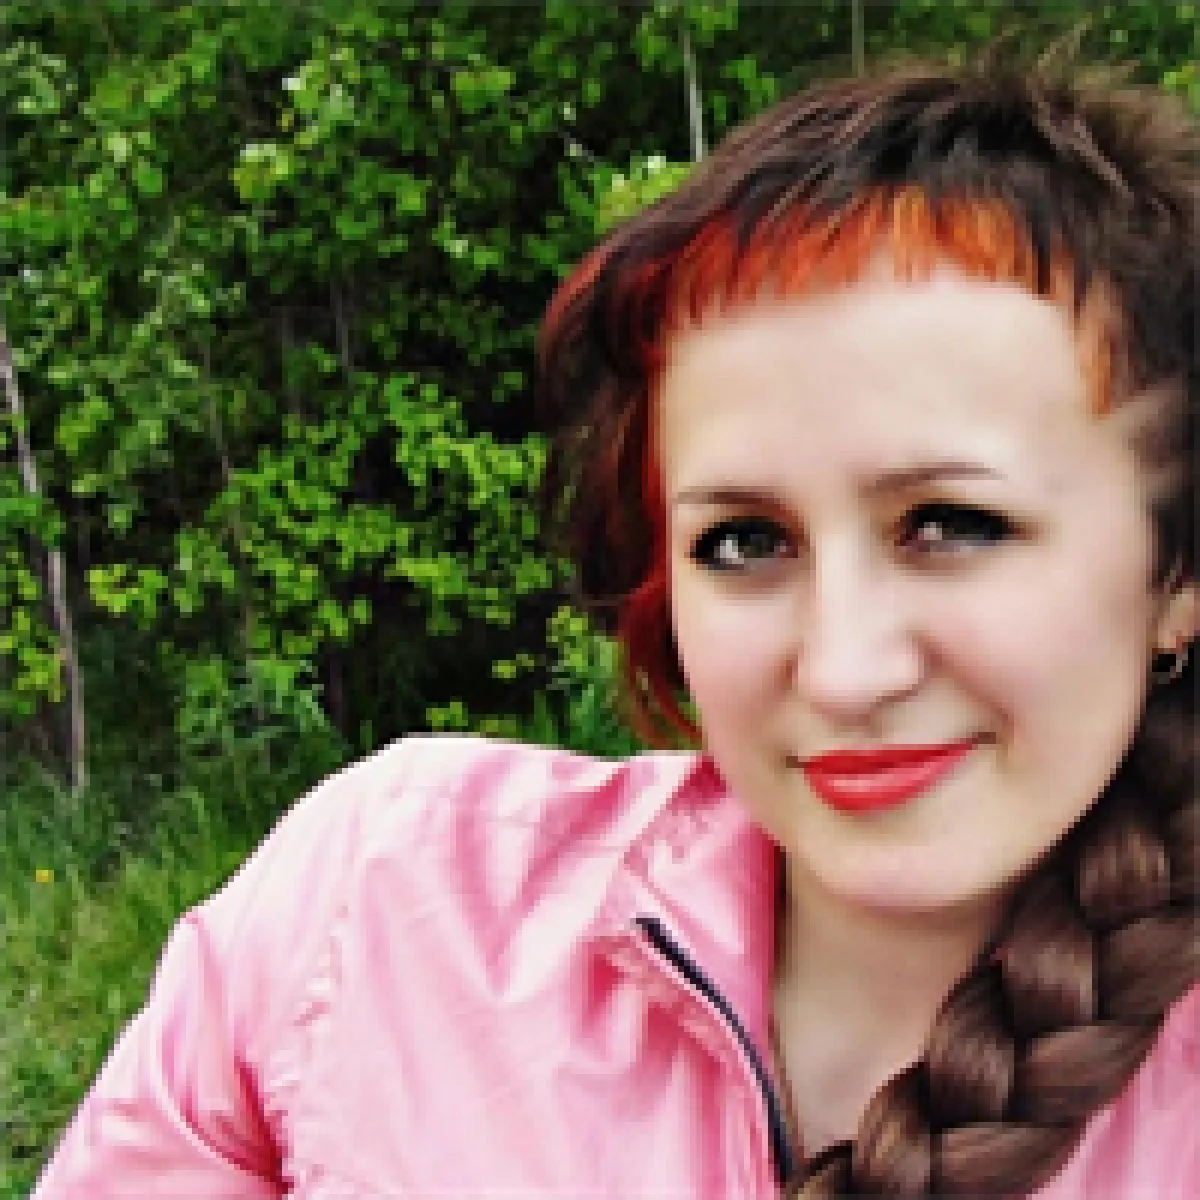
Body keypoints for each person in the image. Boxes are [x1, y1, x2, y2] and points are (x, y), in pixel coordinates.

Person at [33, 56, 1200, 1200]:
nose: (844, 671)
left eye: (950, 525)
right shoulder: (383, 907)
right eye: (744, 542)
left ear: (1175, 574)